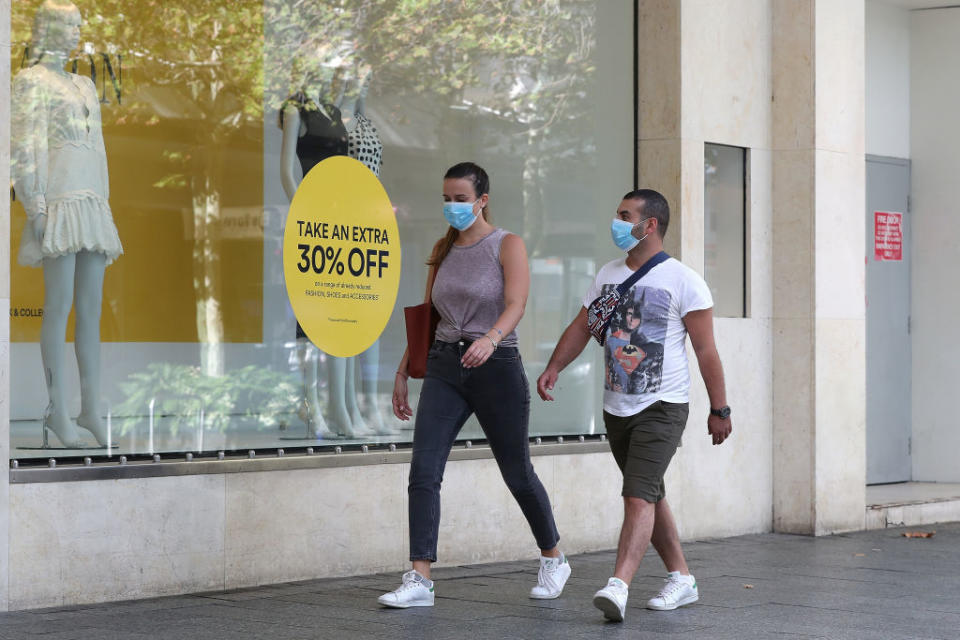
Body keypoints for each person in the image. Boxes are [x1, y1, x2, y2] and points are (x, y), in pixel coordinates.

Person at [379, 162, 570, 608]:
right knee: (424, 470)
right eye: (446, 198)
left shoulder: (507, 244)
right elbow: (430, 314)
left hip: (496, 364)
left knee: (516, 472)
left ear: (482, 200)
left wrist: (491, 338)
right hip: (446, 364)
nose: (452, 206)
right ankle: (420, 578)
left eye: (461, 199)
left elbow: (516, 302)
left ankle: (553, 557)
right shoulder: (442, 249)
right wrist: (404, 370)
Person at [536, 189, 732, 622]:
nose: (618, 222)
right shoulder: (608, 275)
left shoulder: (684, 281)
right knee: (649, 492)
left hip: (662, 405)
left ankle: (618, 585)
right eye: (618, 213)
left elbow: (706, 351)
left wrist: (720, 410)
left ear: (651, 225)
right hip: (616, 405)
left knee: (637, 495)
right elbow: (583, 327)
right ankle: (682, 577)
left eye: (626, 215)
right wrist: (554, 367)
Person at [11, 0, 123, 448]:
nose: (75, 33)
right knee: (58, 308)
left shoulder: (84, 83)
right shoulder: (29, 81)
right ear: (47, 29)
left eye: (78, 26)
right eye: (67, 25)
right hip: (57, 196)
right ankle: (57, 410)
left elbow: (99, 149)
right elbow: (23, 144)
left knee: (91, 311)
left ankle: (90, 408)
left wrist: (105, 201)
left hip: (90, 199)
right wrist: (34, 204)